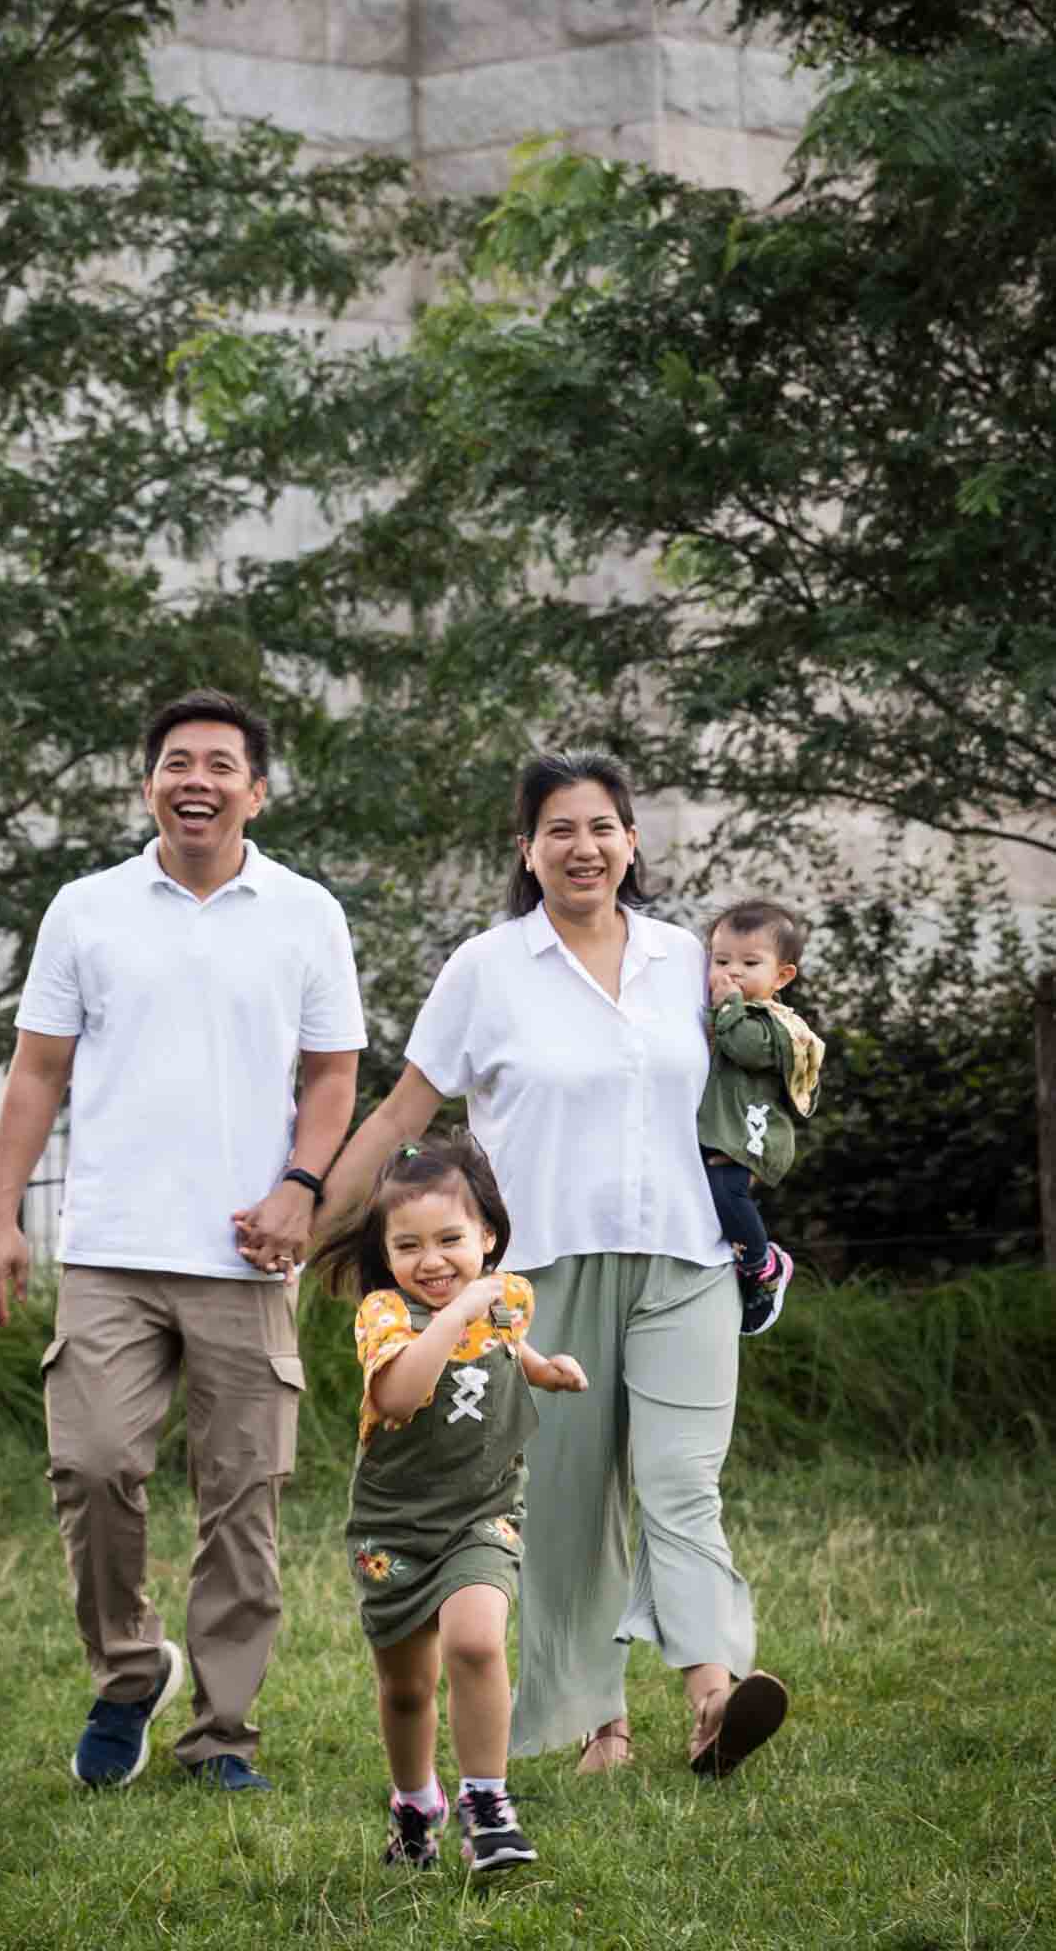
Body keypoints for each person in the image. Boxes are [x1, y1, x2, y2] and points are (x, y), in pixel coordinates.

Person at [319, 749, 788, 1783]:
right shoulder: (486, 968)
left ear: (631, 840)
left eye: (603, 826)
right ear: (526, 850)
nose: (584, 846)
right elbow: (405, 1109)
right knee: (570, 1496)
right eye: (560, 830)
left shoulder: (687, 961)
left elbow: (761, 1074)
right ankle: (597, 1720)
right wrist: (318, 1209)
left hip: (685, 1255)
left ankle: (714, 1693)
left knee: (679, 1481)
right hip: (543, 1268)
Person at [0, 689, 365, 1792]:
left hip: (248, 1253)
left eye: (221, 763)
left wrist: (300, 1188)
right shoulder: (86, 909)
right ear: (148, 781)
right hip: (109, 1247)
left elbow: (332, 1076)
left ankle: (223, 1731)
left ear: (257, 789)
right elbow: (37, 1070)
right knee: (92, 1465)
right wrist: (1, 1217)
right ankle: (129, 1667)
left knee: (243, 1498)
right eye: (176, 761)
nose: (197, 777)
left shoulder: (305, 912)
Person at [312, 1131, 587, 1872]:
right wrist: (456, 1309)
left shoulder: (508, 1299)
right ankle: (414, 1803)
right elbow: (400, 1395)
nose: (430, 1260)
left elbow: (504, 1346)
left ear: (487, 1236)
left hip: (483, 1508)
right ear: (386, 1253)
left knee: (474, 1641)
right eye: (408, 1246)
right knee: (405, 1689)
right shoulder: (384, 1314)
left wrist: (545, 1370)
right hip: (392, 1526)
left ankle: (487, 1807)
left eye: (449, 1239)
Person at [699, 899, 826, 1337]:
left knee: (730, 1194)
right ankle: (738, 1260)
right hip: (719, 1130)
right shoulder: (725, 1008)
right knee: (711, 1197)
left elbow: (747, 1048)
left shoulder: (773, 1023)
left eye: (750, 962)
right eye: (721, 960)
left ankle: (763, 1265)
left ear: (782, 976)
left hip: (749, 1131)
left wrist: (729, 1006)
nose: (732, 972)